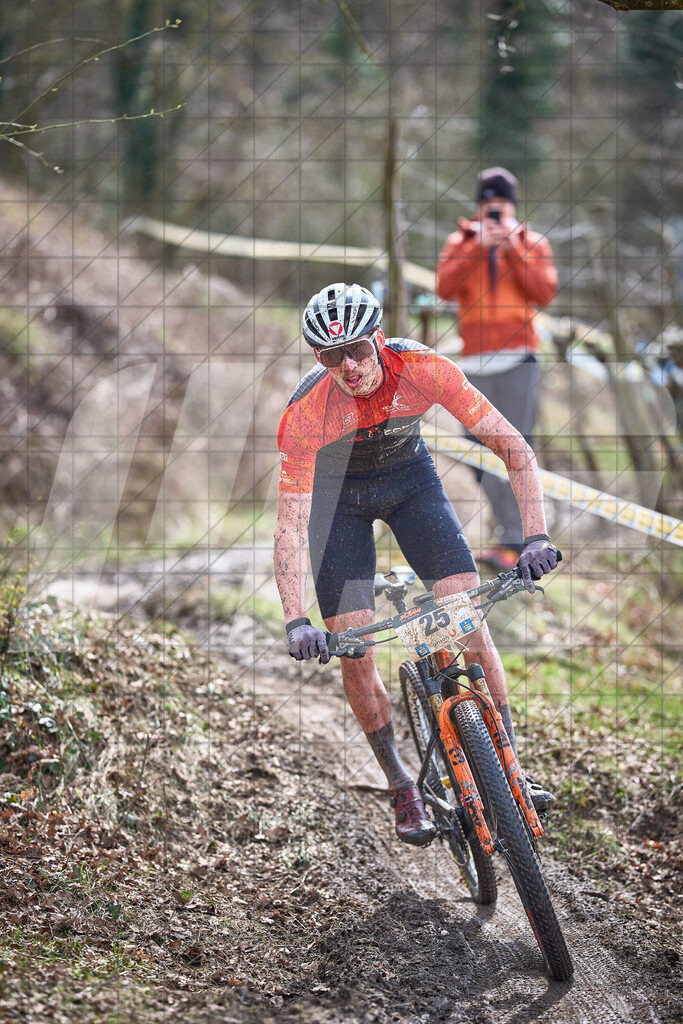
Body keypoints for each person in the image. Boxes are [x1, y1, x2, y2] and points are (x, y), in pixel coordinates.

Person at [273, 282, 559, 847]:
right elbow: (289, 523)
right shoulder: (305, 414)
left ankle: (510, 767)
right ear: (317, 359)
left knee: (465, 618)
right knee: (354, 648)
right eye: (333, 357)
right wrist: (295, 619)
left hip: (411, 485)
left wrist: (534, 536)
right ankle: (402, 785)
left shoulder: (425, 369)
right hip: (339, 508)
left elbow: (514, 448)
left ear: (378, 338)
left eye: (357, 349)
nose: (349, 366)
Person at [436, 167, 558, 571]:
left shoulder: (532, 242)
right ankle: (509, 533)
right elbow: (444, 287)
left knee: (517, 448)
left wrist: (511, 248)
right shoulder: (460, 241)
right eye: (488, 208)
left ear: (513, 209)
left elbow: (544, 292)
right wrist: (477, 248)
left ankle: (519, 541)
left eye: (501, 209)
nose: (494, 216)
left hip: (518, 361)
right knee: (477, 455)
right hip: (473, 363)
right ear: (478, 208)